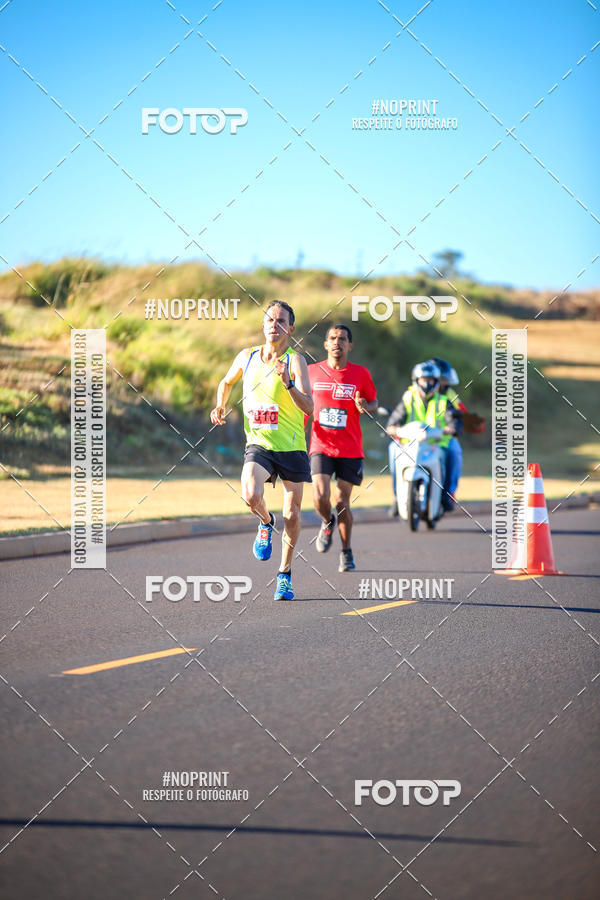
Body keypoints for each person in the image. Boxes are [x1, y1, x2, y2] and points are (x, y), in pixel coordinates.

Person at [210, 301, 313, 600]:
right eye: (270, 320)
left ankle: (284, 574)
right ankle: (266, 522)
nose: (274, 325)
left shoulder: (296, 361)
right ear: (263, 324)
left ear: (290, 328)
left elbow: (309, 407)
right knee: (251, 495)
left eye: (281, 321)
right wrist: (220, 404)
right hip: (259, 444)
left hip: (291, 446)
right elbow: (226, 381)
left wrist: (288, 384)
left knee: (292, 514)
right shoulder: (248, 356)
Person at [308, 325, 378, 572]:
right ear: (326, 344)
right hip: (320, 444)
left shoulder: (360, 373)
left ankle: (346, 551)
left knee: (342, 501)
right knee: (320, 496)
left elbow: (374, 402)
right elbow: (303, 404)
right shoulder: (312, 372)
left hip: (350, 447)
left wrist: (365, 407)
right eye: (333, 338)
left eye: (343, 339)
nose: (337, 342)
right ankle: (326, 522)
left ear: (350, 345)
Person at [386, 360, 462, 514]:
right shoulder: (409, 397)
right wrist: (392, 428)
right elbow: (396, 418)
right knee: (393, 448)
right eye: (423, 380)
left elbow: (453, 417)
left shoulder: (443, 400)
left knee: (453, 452)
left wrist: (452, 428)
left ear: (436, 382)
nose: (427, 384)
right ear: (416, 381)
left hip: (437, 443)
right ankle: (397, 497)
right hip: (410, 444)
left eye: (430, 380)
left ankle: (446, 495)